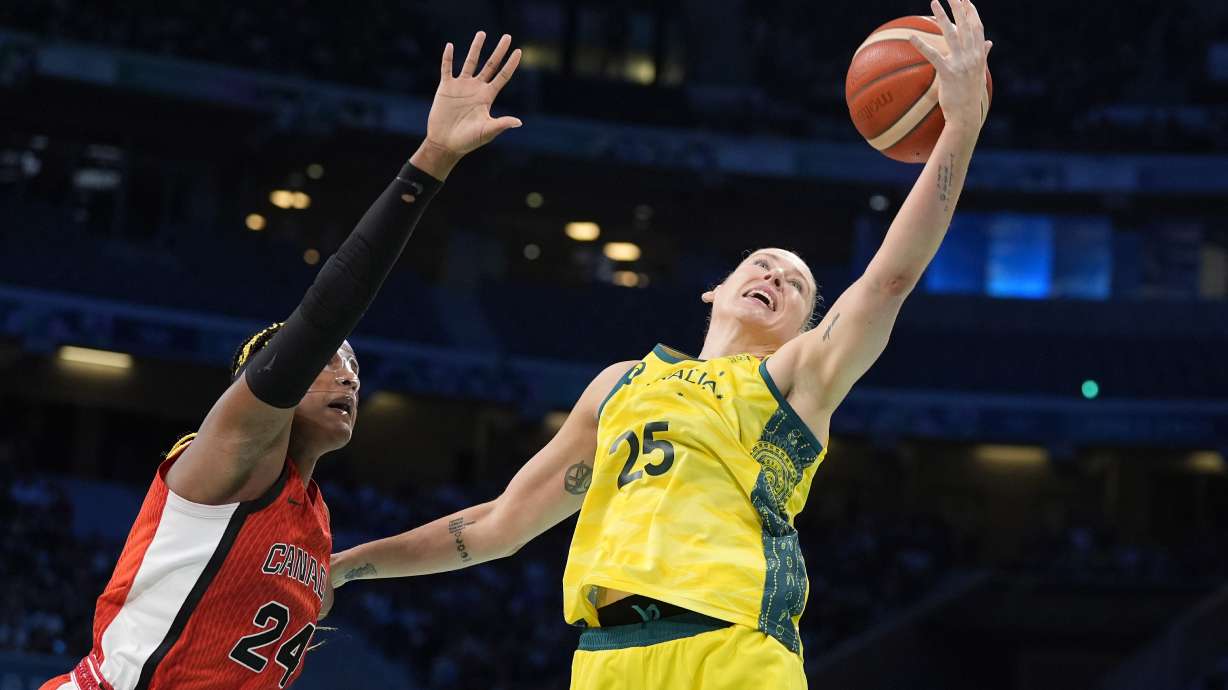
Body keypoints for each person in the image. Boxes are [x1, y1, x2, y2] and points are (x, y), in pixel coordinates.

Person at [329, 2, 991, 687]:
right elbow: (498, 524)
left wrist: (960, 126)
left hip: (732, 651)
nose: (773, 275)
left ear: (804, 327)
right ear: (716, 289)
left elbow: (888, 280)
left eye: (794, 283)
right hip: (607, 661)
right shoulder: (621, 383)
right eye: (761, 263)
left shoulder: (797, 378)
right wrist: (350, 566)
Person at [40, 31, 522, 690]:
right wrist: (431, 158)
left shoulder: (312, 523)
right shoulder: (226, 454)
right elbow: (327, 310)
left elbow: (483, 527)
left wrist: (351, 568)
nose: (347, 374)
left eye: (354, 366)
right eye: (329, 362)